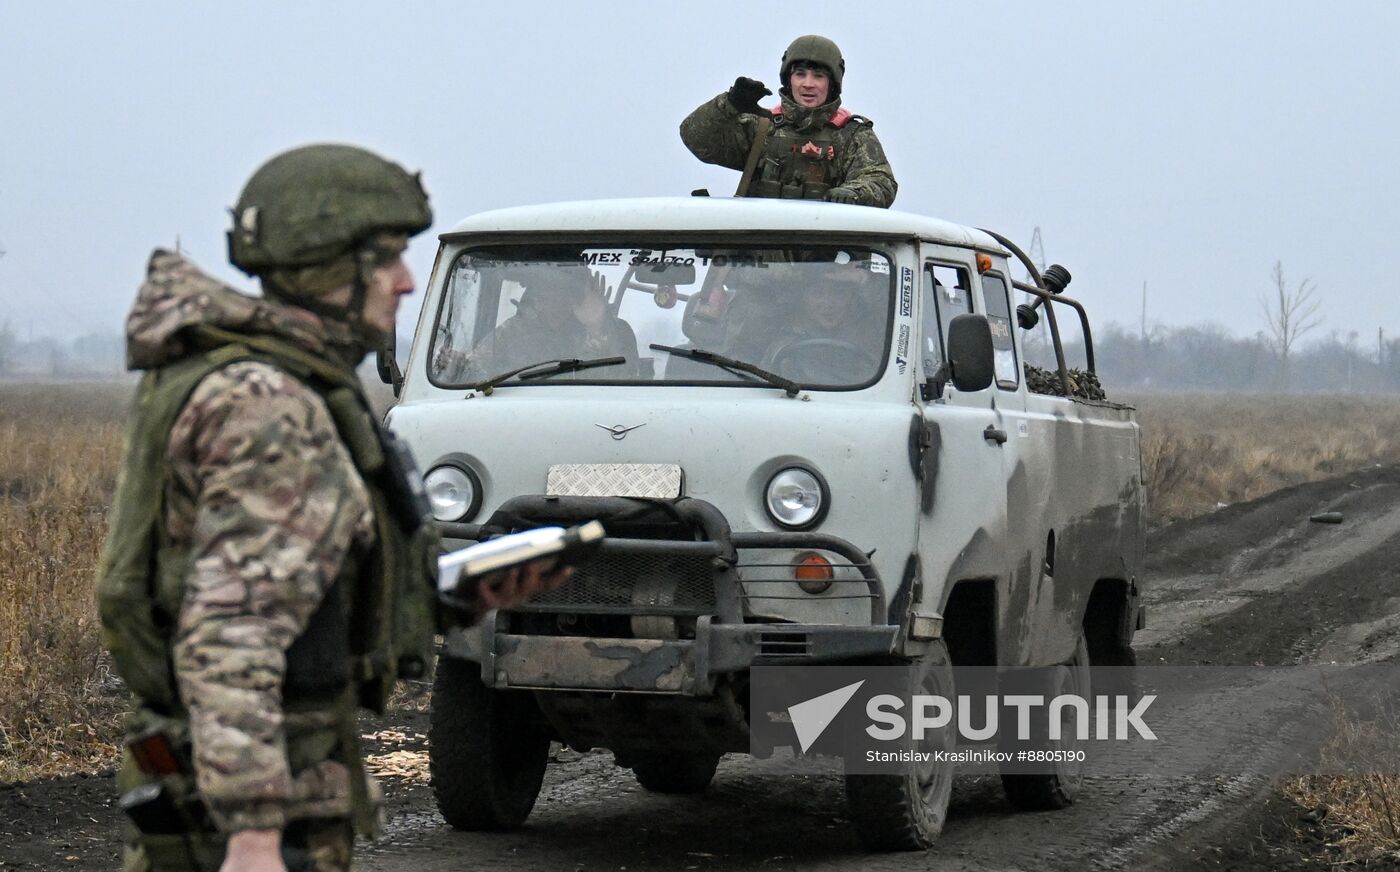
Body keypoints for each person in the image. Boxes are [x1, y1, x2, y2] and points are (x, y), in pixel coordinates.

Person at [97, 144, 568, 872]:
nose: (407, 281)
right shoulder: (271, 408)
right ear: (328, 269)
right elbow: (233, 630)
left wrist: (457, 594)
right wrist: (254, 834)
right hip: (250, 803)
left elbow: (311, 597)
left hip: (236, 774)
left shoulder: (270, 381)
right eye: (387, 259)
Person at [680, 34, 897, 208]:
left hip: (824, 248)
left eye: (818, 76)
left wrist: (853, 194)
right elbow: (697, 140)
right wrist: (728, 105)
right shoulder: (762, 127)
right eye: (800, 74)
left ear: (832, 83)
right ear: (789, 79)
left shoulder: (851, 135)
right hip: (759, 246)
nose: (808, 84)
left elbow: (880, 181)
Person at [437, 264, 639, 383]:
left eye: (565, 291)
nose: (553, 299)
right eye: (544, 291)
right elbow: (476, 370)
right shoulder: (513, 332)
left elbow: (626, 387)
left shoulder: (617, 331)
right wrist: (459, 363)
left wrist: (596, 327)